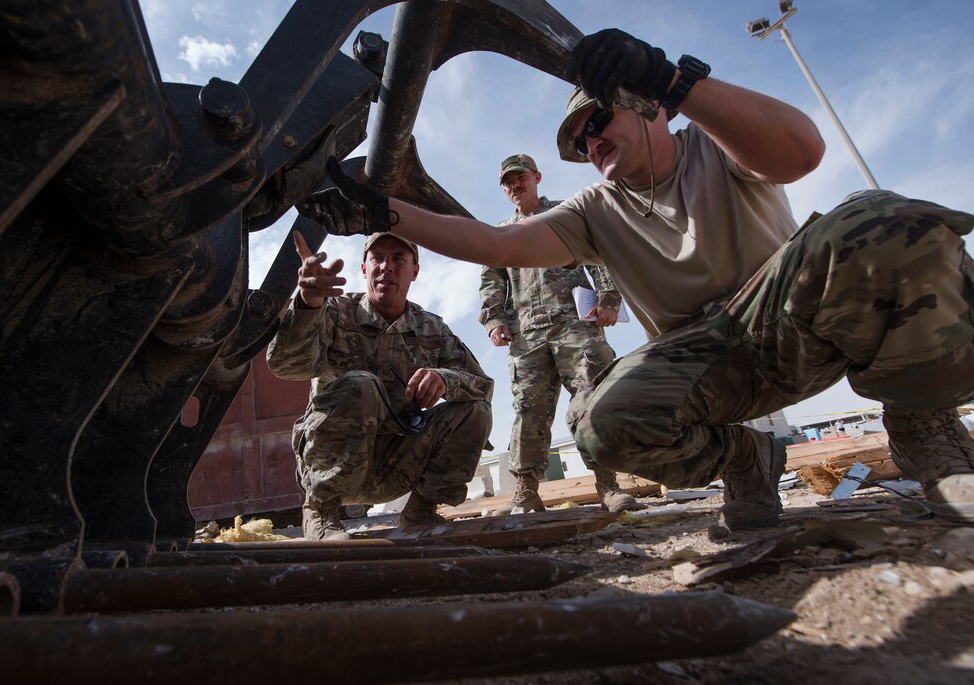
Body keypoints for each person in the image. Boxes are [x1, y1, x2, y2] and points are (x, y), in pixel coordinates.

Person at [296, 27, 974, 528]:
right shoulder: (595, 208)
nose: (590, 143)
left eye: (598, 121)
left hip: (792, 317)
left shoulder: (716, 144)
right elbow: (486, 242)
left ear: (647, 107)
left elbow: (804, 150)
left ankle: (926, 428)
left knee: (885, 222)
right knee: (599, 421)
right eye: (578, 142)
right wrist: (382, 211)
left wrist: (675, 79)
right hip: (709, 363)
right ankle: (744, 459)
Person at [266, 230, 493, 540]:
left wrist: (445, 379)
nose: (386, 266)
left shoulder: (431, 328)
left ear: (414, 270)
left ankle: (420, 512)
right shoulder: (334, 312)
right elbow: (287, 366)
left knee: (475, 410)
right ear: (364, 269)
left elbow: (482, 386)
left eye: (398, 258)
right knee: (362, 384)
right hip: (333, 464)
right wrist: (307, 305)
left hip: (397, 465)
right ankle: (321, 512)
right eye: (377, 258)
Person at [481, 153, 637, 514]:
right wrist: (494, 320)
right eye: (508, 182)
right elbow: (491, 279)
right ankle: (526, 493)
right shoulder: (502, 234)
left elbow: (599, 256)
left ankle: (608, 486)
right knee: (528, 410)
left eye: (520, 177)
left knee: (591, 400)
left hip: (575, 327)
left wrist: (609, 299)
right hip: (526, 335)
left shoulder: (563, 217)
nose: (515, 185)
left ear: (536, 176)